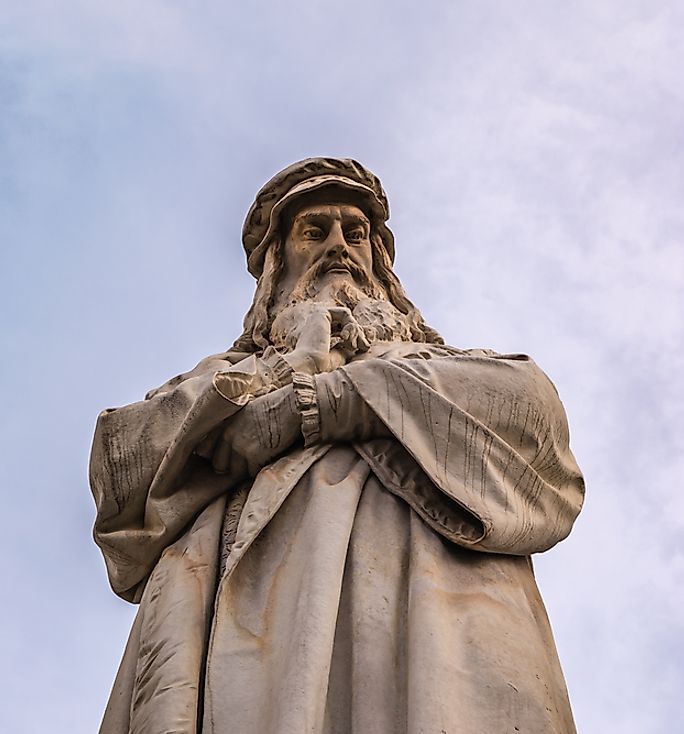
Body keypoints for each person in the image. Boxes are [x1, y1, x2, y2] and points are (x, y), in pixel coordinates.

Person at [89, 158, 584, 734]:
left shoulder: (440, 367)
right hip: (253, 618)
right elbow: (122, 471)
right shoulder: (225, 379)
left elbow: (535, 419)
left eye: (356, 233)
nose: (338, 246)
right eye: (313, 230)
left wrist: (327, 402)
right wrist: (276, 380)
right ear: (279, 261)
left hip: (433, 602)